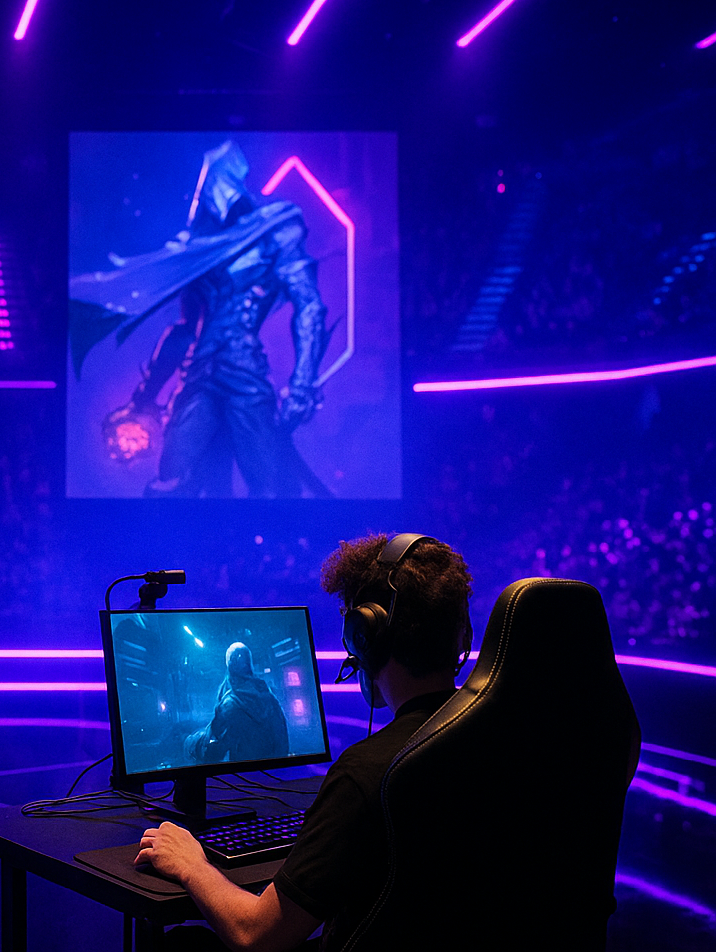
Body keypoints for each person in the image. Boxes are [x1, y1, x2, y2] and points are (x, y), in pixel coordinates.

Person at [135, 533, 474, 951]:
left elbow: (255, 934)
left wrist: (191, 864)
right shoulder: (508, 741)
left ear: (364, 634)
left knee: (183, 945)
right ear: (462, 635)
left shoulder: (365, 776)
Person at [70, 140, 329, 497]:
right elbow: (184, 331)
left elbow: (309, 307)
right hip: (200, 375)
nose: (213, 194)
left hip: (244, 373)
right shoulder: (200, 248)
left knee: (270, 491)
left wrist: (302, 384)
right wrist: (144, 398)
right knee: (172, 484)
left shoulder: (276, 228)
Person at [186, 642, 290, 764]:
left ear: (230, 666)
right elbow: (283, 743)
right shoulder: (270, 699)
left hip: (245, 773)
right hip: (275, 771)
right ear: (250, 665)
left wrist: (190, 743)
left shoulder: (229, 705)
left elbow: (214, 750)